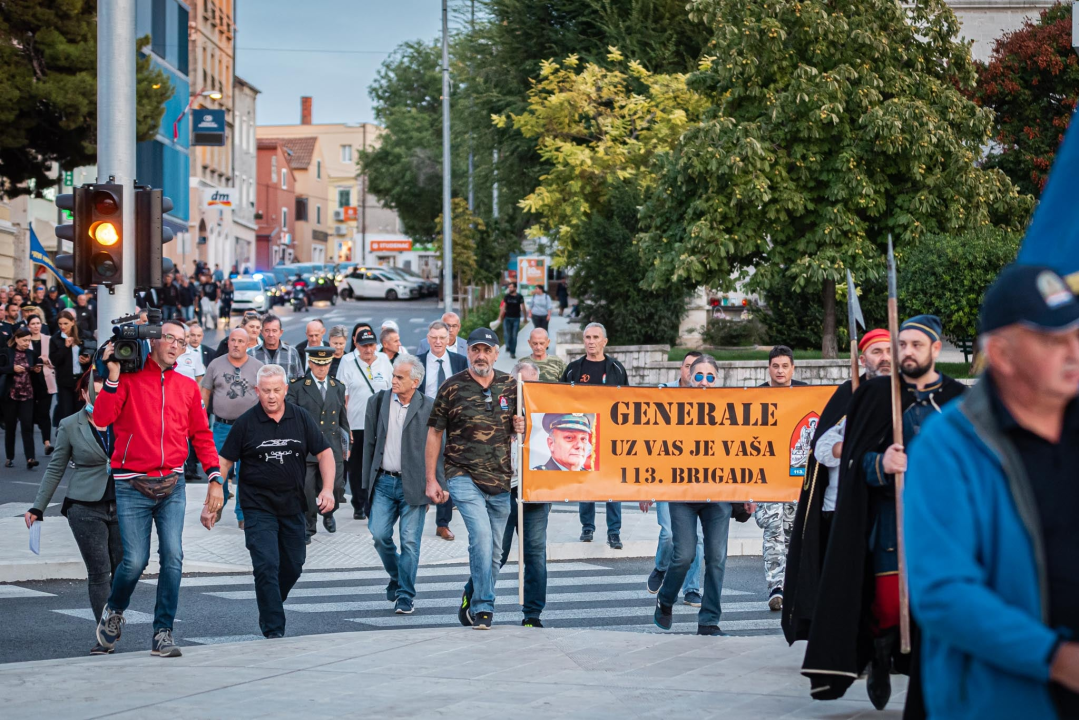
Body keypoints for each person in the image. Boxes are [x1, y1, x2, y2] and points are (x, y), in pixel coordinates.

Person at [906, 265, 1079, 719]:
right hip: (1001, 702)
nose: (1074, 351)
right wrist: (1056, 658)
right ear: (1000, 354)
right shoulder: (947, 447)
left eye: (1077, 334)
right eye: (1052, 340)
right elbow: (943, 593)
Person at [802, 314, 966, 713]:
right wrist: (881, 462)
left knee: (937, 611)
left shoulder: (959, 399)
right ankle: (879, 652)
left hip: (943, 526)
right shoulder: (876, 395)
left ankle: (929, 690)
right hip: (890, 519)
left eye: (915, 345)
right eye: (901, 344)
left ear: (936, 349)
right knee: (890, 606)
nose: (906, 352)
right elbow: (851, 458)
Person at [92, 320, 221, 658]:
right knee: (135, 561)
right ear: (153, 341)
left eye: (181, 341)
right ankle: (114, 610)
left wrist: (214, 477)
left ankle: (163, 632)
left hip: (172, 484)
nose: (176, 345)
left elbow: (202, 435)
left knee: (173, 557)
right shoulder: (127, 379)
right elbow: (102, 419)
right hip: (131, 483)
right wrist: (112, 376)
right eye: (169, 338)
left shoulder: (187, 387)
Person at [203, 364, 334, 638]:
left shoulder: (301, 418)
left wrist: (328, 489)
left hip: (293, 505)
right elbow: (224, 461)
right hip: (257, 507)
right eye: (265, 391)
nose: (271, 396)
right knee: (266, 565)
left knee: (294, 565)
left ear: (285, 389)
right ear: (256, 391)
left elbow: (325, 453)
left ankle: (271, 602)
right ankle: (274, 629)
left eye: (276, 390)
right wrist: (213, 497)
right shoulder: (246, 423)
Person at [782, 328, 892, 644]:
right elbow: (821, 449)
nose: (884, 358)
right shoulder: (849, 394)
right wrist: (853, 445)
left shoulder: (905, 395)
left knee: (882, 583)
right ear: (862, 359)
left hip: (887, 507)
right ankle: (844, 644)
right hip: (841, 507)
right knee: (845, 581)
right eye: (876, 352)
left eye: (889, 351)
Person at [426, 328, 525, 630]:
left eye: (486, 350)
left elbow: (528, 428)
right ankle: (484, 607)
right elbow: (434, 433)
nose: (481, 355)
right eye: (475, 350)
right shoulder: (451, 387)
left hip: (500, 478)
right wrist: (431, 479)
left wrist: (522, 424)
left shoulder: (511, 386)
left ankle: (471, 595)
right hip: (462, 473)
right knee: (481, 537)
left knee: (495, 552)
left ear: (496, 354)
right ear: (467, 352)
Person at [649, 355, 754, 635]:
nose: (704, 381)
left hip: (718, 494)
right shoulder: (672, 409)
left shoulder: (729, 410)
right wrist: (647, 488)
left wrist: (748, 492)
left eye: (710, 377)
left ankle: (709, 620)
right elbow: (654, 447)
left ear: (717, 380)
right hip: (682, 493)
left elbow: (742, 453)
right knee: (683, 555)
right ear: (689, 377)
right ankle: (666, 599)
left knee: (716, 558)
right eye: (699, 375)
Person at [25, 372, 119, 655]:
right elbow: (55, 468)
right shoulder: (69, 425)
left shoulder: (124, 419)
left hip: (125, 503)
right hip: (84, 504)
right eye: (95, 393)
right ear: (84, 394)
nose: (100, 398)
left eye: (106, 393)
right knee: (99, 570)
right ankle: (106, 632)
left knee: (127, 567)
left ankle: (114, 613)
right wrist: (38, 506)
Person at [463, 360, 551, 627]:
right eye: (520, 384)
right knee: (496, 553)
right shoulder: (497, 406)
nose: (525, 390)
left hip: (535, 492)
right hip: (502, 490)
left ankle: (532, 614)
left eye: (531, 384)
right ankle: (473, 596)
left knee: (535, 554)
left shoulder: (546, 409)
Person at [363, 354, 441, 614]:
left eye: (399, 377)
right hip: (383, 483)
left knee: (409, 542)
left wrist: (436, 483)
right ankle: (398, 576)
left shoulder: (429, 406)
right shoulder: (377, 402)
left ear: (415, 382)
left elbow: (439, 449)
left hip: (415, 484)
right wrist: (365, 486)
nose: (393, 381)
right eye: (393, 376)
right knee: (379, 535)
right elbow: (369, 446)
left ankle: (405, 595)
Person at [646, 350, 706, 606]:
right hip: (666, 476)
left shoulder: (711, 397)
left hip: (699, 478)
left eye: (697, 369)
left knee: (697, 538)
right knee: (669, 534)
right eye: (688, 366)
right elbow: (649, 437)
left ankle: (692, 588)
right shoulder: (664, 393)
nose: (691, 372)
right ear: (681, 369)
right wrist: (646, 486)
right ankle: (661, 567)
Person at [561, 322, 628, 548]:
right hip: (583, 434)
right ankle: (587, 527)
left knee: (612, 483)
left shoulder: (616, 369)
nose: (591, 341)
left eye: (595, 337)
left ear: (604, 341)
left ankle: (614, 532)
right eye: (588, 337)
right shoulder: (573, 369)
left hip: (611, 434)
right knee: (586, 481)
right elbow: (560, 398)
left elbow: (627, 401)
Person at [754, 345, 808, 611]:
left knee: (795, 533)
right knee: (773, 530)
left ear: (792, 368)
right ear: (769, 368)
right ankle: (776, 587)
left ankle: (797, 586)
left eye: (785, 366)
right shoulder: (756, 397)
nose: (780, 371)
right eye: (775, 366)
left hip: (798, 478)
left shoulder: (806, 394)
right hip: (768, 479)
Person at [287, 346, 349, 542]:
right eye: (318, 364)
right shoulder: (297, 387)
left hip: (332, 445)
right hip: (307, 447)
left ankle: (328, 512)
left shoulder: (338, 386)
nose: (322, 368)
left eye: (326, 364)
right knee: (307, 489)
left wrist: (347, 441)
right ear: (310, 363)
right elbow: (291, 417)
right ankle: (309, 525)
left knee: (336, 486)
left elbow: (342, 416)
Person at [202, 329, 264, 528]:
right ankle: (217, 504)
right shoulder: (215, 364)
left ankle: (243, 514)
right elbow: (205, 393)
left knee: (246, 473)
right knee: (218, 470)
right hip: (222, 427)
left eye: (240, 341)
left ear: (248, 344)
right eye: (233, 340)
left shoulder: (258, 367)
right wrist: (201, 421)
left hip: (250, 429)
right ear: (228, 342)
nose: (236, 344)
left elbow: (264, 396)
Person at [336, 325, 393, 520]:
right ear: (357, 346)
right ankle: (359, 503)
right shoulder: (347, 362)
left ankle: (374, 502)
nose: (368, 350)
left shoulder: (384, 360)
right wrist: (345, 427)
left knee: (378, 464)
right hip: (356, 423)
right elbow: (342, 397)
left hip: (380, 423)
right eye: (364, 346)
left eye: (371, 345)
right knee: (357, 466)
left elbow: (392, 391)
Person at [417, 320, 468, 538]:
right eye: (434, 338)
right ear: (428, 339)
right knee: (422, 466)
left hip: (452, 422)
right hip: (424, 420)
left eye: (442, 338)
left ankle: (443, 523)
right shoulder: (418, 362)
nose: (438, 342)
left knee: (447, 469)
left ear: (449, 339)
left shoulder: (459, 361)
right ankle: (419, 510)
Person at [2, 327, 39, 468]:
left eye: (29, 340)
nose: (26, 343)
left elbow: (35, 370)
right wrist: (12, 369)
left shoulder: (31, 354)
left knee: (27, 426)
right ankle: (9, 457)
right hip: (10, 395)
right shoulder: (7, 352)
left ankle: (30, 458)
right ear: (16, 339)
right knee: (10, 427)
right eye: (24, 340)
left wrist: (37, 370)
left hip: (27, 394)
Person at [50, 309, 89, 426]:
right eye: (60, 324)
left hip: (81, 380)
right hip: (64, 381)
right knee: (66, 413)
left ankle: (80, 436)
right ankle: (65, 435)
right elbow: (55, 361)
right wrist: (65, 347)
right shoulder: (55, 339)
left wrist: (88, 359)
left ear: (72, 322)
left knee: (81, 413)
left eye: (65, 323)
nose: (62, 326)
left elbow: (93, 351)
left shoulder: (84, 335)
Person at [25, 312, 56, 456]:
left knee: (44, 412)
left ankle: (47, 443)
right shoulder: (25, 340)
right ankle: (29, 449)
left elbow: (55, 360)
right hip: (29, 381)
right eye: (33, 324)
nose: (36, 326)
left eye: (38, 323)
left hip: (46, 381)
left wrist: (45, 361)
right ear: (28, 326)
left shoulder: (49, 339)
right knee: (30, 415)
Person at [249, 314, 303, 381]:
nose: (271, 334)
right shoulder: (252, 354)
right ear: (262, 332)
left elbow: (299, 379)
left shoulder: (292, 353)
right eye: (267, 331)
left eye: (274, 331)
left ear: (281, 332)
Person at [498, 283, 525, 358]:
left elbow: (523, 307)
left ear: (515, 288)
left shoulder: (519, 297)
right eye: (509, 287)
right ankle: (508, 346)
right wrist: (500, 317)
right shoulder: (507, 296)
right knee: (507, 334)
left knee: (514, 335)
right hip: (507, 318)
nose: (510, 288)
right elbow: (503, 307)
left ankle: (512, 352)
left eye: (511, 287)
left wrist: (525, 317)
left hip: (516, 318)